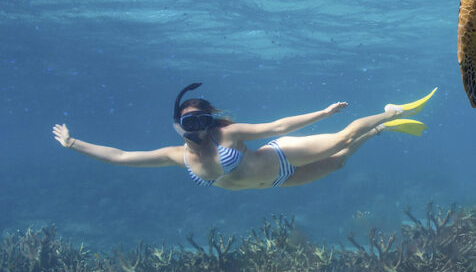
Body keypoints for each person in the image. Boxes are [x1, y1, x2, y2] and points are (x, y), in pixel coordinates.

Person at [52, 82, 436, 189]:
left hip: (281, 156)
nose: (199, 129)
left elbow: (279, 127)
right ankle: (383, 127)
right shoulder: (176, 155)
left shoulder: (229, 134)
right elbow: (120, 157)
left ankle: (391, 110)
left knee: (338, 139)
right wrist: (73, 144)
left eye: (204, 120)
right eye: (190, 124)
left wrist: (323, 112)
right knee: (339, 163)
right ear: (177, 126)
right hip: (276, 183)